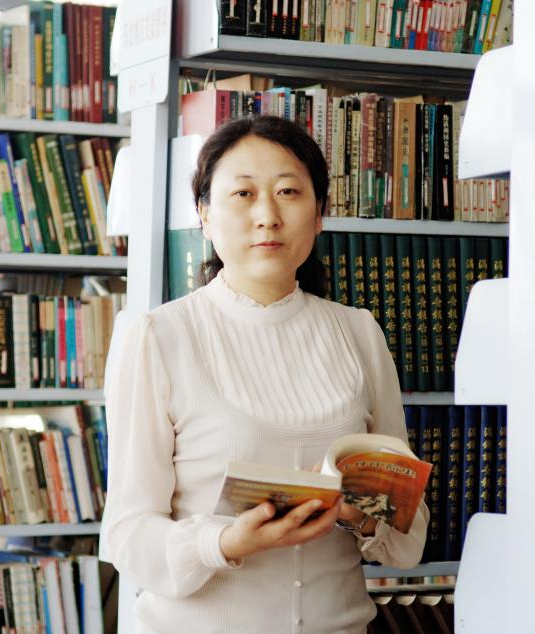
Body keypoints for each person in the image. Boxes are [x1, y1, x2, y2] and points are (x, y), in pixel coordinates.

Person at [100, 115, 428, 633]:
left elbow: (409, 534)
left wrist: (358, 512)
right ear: (205, 215)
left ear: (319, 214)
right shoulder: (158, 336)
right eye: (243, 194)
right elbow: (127, 533)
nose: (267, 216)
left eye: (288, 192)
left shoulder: (359, 332)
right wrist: (225, 542)